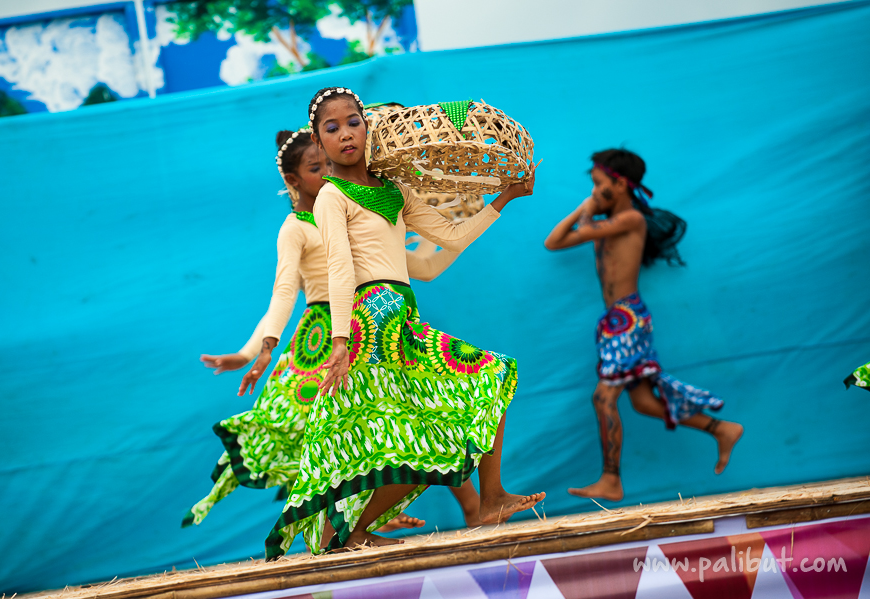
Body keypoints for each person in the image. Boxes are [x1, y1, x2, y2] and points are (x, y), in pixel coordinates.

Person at [263, 87, 545, 558]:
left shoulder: (396, 191)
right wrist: (339, 339)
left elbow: (446, 242)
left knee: (483, 387)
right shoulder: (331, 196)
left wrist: (504, 199)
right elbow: (339, 267)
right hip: (371, 324)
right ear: (319, 140)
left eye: (353, 122)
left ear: (367, 127)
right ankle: (350, 533)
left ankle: (490, 497)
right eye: (332, 128)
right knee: (421, 438)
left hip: (401, 316)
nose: (345, 134)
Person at [185, 127, 481, 530]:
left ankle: (464, 508)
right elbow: (283, 292)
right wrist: (255, 350)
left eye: (328, 163)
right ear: (292, 180)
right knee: (345, 434)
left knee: (416, 413)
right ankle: (354, 522)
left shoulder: (353, 205)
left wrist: (456, 224)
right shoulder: (296, 228)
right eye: (315, 168)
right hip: (326, 339)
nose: (327, 172)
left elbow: (417, 264)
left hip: (373, 321)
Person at [544, 148, 743, 502]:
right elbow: (553, 242)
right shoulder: (607, 222)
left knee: (603, 398)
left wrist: (587, 209)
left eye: (599, 184)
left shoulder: (631, 219)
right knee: (644, 403)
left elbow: (581, 231)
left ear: (620, 184)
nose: (594, 191)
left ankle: (611, 480)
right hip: (616, 320)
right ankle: (721, 428)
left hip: (628, 320)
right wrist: (587, 206)